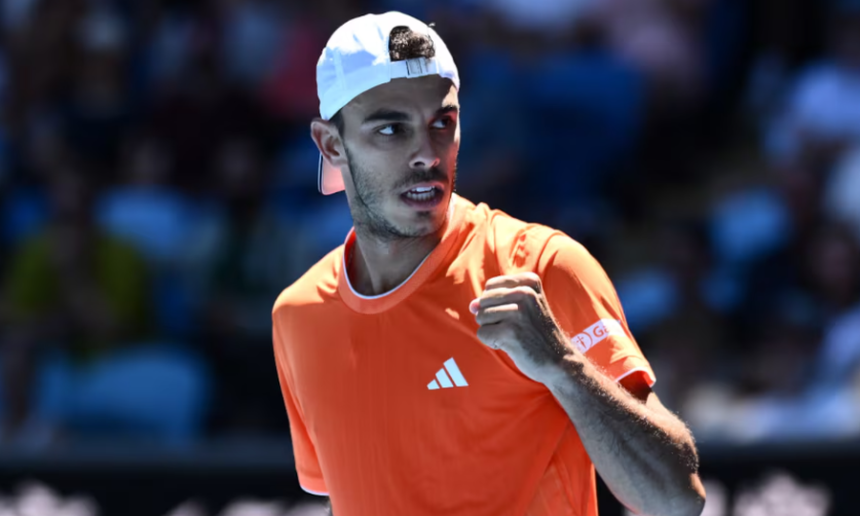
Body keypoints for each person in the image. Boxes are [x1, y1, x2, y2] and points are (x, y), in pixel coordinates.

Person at [272, 12, 706, 516]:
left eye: (442, 124)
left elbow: (675, 499)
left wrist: (563, 366)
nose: (426, 154)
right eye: (391, 129)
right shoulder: (298, 315)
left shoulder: (543, 266)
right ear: (331, 145)